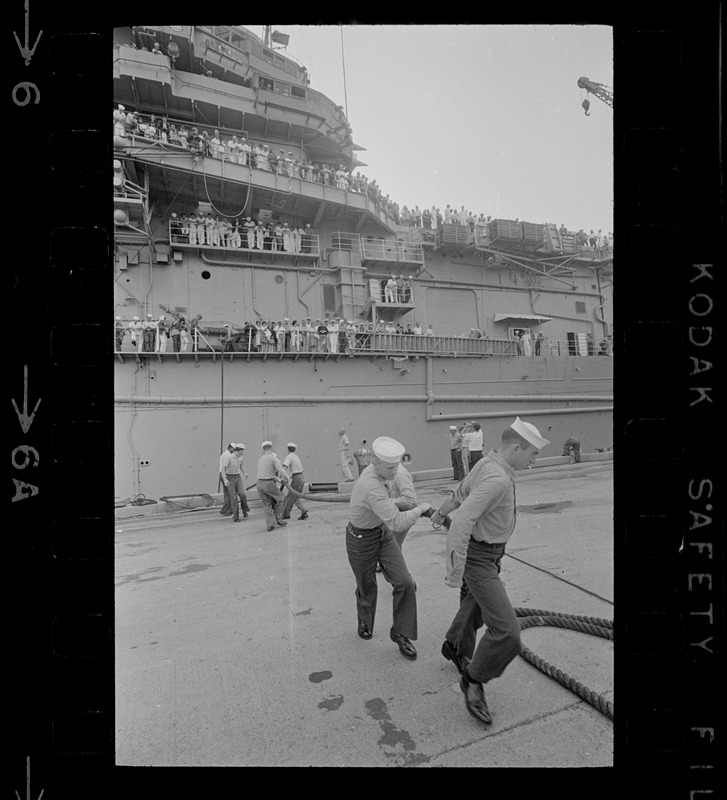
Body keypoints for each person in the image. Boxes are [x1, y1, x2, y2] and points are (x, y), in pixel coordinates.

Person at [431, 417, 550, 725]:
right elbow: (463, 518)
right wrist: (455, 570)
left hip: (489, 553)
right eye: (533, 453)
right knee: (508, 633)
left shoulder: (487, 463)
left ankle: (454, 646)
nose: (534, 460)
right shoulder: (498, 479)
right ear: (517, 447)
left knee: (475, 607)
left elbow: (461, 491)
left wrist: (439, 511)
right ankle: (473, 680)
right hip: (479, 558)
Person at [346, 436, 433, 657]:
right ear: (375, 463)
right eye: (391, 468)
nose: (396, 472)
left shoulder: (381, 472)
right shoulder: (370, 485)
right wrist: (420, 509)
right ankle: (365, 622)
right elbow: (397, 522)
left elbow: (391, 508)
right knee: (367, 587)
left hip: (381, 533)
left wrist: (397, 503)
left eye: (397, 466)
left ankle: (401, 633)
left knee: (405, 582)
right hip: (360, 540)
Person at [256, 441, 289, 531]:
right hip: (268, 484)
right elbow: (281, 471)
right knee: (281, 499)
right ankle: (277, 518)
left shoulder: (261, 459)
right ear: (271, 448)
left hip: (259, 484)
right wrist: (283, 479)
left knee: (267, 504)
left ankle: (270, 525)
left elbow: (267, 473)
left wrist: (278, 480)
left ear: (263, 449)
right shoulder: (273, 458)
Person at [220, 443, 250, 522]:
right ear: (238, 451)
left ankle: (244, 510)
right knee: (233, 497)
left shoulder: (241, 457)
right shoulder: (229, 457)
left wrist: (245, 472)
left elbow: (241, 466)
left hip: (237, 476)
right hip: (230, 477)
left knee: (242, 494)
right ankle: (236, 516)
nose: (243, 453)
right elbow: (223, 469)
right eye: (242, 451)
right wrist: (225, 480)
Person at [279, 443, 309, 521]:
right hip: (301, 477)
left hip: (297, 478)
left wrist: (280, 478)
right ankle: (303, 511)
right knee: (296, 496)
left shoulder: (289, 456)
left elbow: (284, 468)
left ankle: (285, 514)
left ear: (288, 449)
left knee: (290, 496)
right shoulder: (296, 456)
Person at [218, 442, 236, 516]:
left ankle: (228, 510)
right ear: (230, 448)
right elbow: (225, 467)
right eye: (233, 449)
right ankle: (224, 509)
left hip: (221, 474)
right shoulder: (227, 455)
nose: (234, 451)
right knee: (230, 493)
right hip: (225, 475)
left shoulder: (224, 454)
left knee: (226, 493)